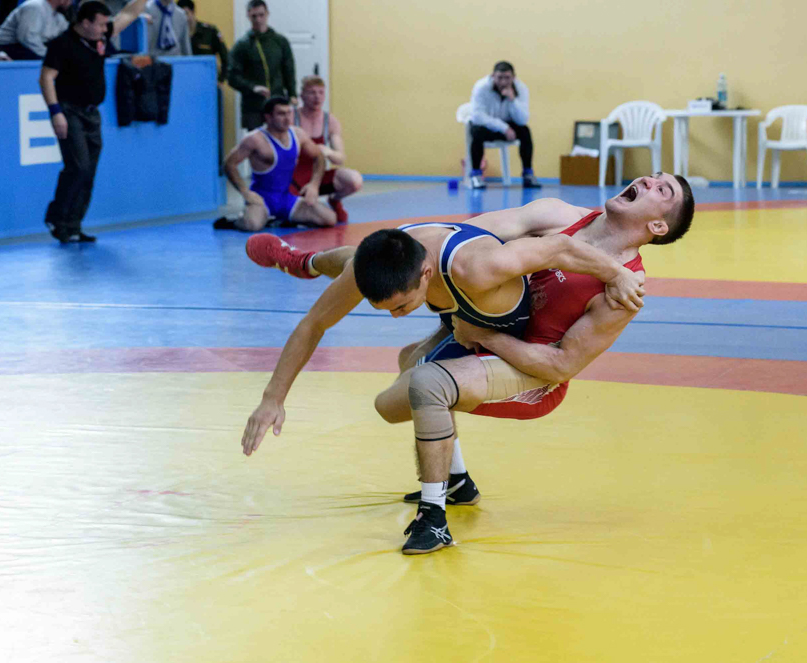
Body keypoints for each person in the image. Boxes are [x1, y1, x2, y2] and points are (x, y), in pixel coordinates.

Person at [240, 173, 693, 554]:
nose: (649, 179)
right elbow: (475, 232)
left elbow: (560, 366)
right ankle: (306, 261)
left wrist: (487, 336)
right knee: (389, 318)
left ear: (657, 225)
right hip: (479, 310)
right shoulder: (554, 215)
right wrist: (272, 398)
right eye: (653, 176)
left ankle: (434, 518)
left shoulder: (624, 291)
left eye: (663, 189)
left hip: (532, 371)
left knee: (424, 385)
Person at [39, 0, 148, 244]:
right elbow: (46, 77)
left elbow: (130, 13)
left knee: (88, 171)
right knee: (78, 165)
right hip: (69, 111)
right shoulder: (62, 44)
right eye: (100, 25)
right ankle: (56, 216)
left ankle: (72, 227)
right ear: (85, 23)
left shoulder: (101, 35)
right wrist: (55, 112)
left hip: (92, 114)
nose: (105, 30)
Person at [215, 97, 335, 231]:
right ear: (268, 117)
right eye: (281, 114)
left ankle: (282, 219)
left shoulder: (298, 134)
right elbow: (229, 164)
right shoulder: (255, 139)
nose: (287, 118)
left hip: (286, 198)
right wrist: (245, 192)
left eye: (289, 113)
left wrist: (314, 185)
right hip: (261, 199)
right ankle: (234, 221)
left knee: (329, 219)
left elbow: (319, 156)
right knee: (252, 225)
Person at [290, 75, 362, 224]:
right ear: (302, 95)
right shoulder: (291, 117)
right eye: (312, 92)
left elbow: (340, 158)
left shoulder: (330, 121)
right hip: (293, 178)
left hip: (318, 176)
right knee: (302, 215)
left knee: (354, 180)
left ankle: (334, 200)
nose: (317, 97)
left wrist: (327, 151)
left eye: (321, 92)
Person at [468, 61, 539, 190]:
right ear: (493, 76)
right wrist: (504, 128)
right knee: (476, 131)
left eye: (507, 78)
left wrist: (513, 99)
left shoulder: (521, 89)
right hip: (487, 125)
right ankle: (476, 175)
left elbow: (522, 120)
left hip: (509, 126)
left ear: (514, 77)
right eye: (499, 78)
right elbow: (478, 116)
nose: (503, 82)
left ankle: (528, 174)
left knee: (525, 131)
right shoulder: (481, 87)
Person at [227, 0, 295, 132]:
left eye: (261, 15)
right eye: (254, 16)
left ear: (267, 14)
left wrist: (292, 94)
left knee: (280, 139)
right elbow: (232, 77)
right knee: (256, 142)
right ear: (248, 16)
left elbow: (289, 70)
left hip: (277, 102)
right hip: (253, 106)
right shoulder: (242, 45)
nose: (258, 20)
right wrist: (253, 87)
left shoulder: (280, 42)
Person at [0, 0, 71, 60]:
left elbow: (67, 36)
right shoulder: (35, 6)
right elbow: (26, 38)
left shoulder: (58, 16)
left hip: (34, 48)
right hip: (8, 47)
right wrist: (50, 56)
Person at [177, 0, 227, 81]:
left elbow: (226, 58)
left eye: (186, 13)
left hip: (207, 80)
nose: (184, 18)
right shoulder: (176, 35)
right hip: (184, 81)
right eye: (180, 15)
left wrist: (221, 80)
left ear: (193, 12)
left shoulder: (210, 32)